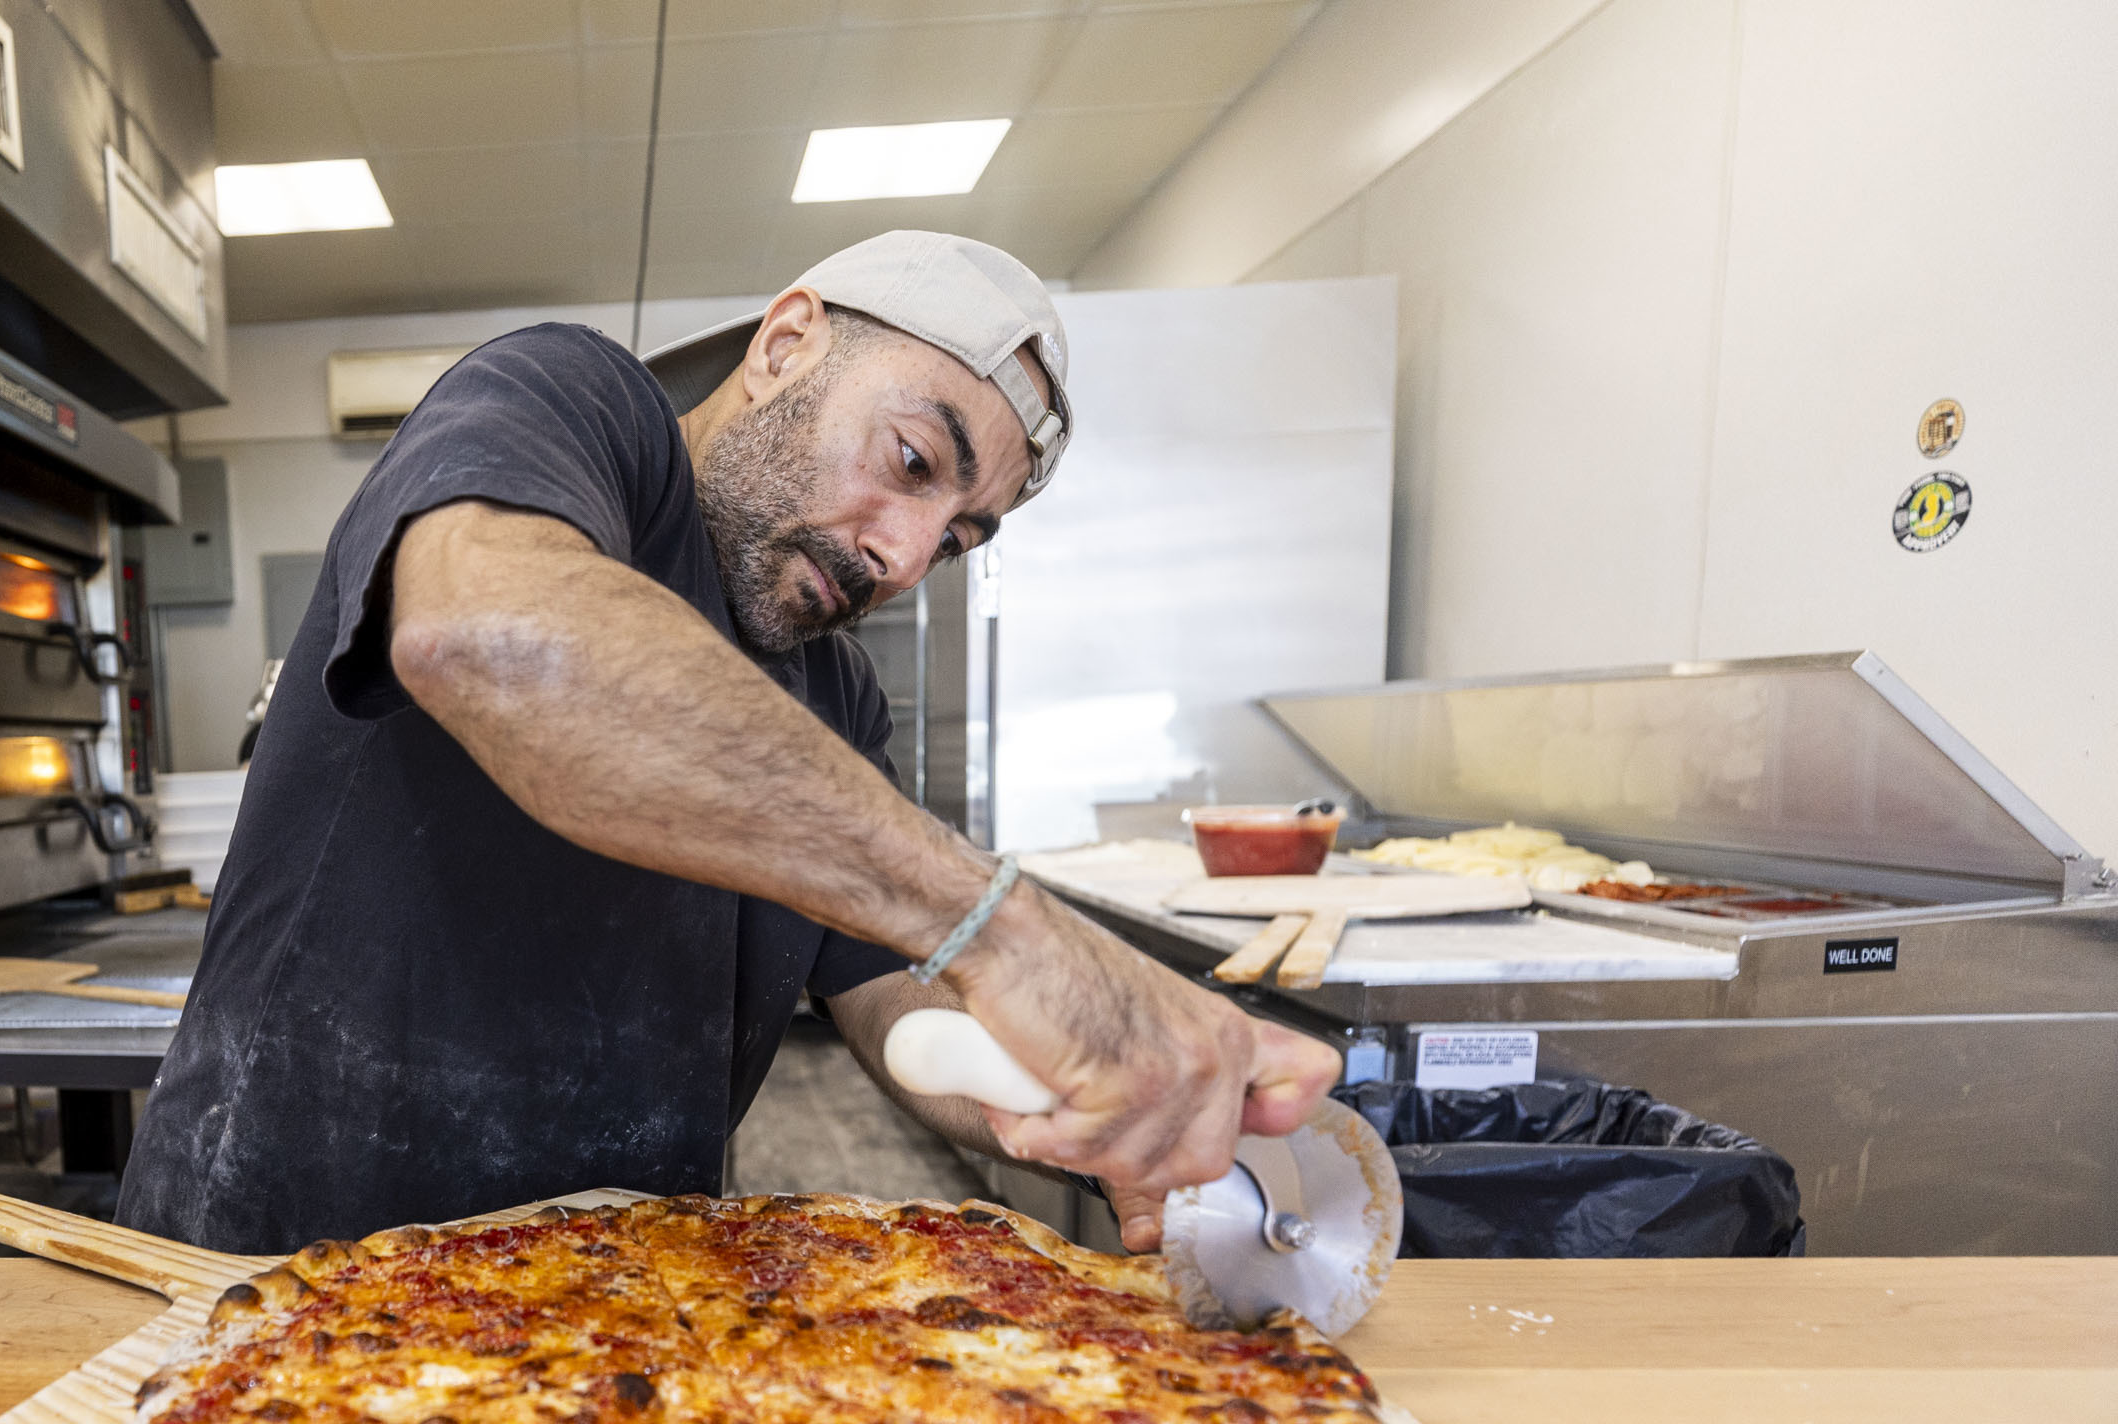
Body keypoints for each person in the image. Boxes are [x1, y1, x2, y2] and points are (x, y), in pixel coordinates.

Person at [117, 231, 1338, 1254]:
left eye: (958, 536)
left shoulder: (839, 695)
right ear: (787, 341)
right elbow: (489, 629)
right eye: (912, 460)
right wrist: (1009, 929)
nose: (905, 555)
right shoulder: (573, 407)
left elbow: (887, 996)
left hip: (619, 1307)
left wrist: (1088, 1095)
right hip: (287, 1256)